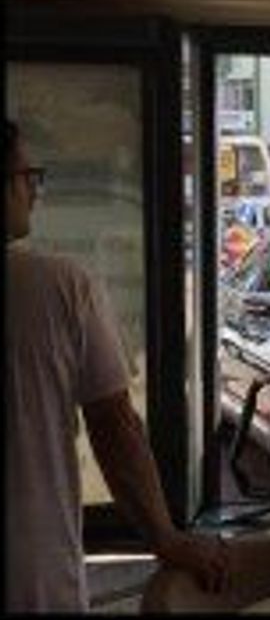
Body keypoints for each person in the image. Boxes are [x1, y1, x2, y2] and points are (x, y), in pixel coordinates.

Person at [5, 120, 229, 612]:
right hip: (33, 579)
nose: (34, 190)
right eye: (27, 175)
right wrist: (166, 538)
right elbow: (114, 426)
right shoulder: (60, 287)